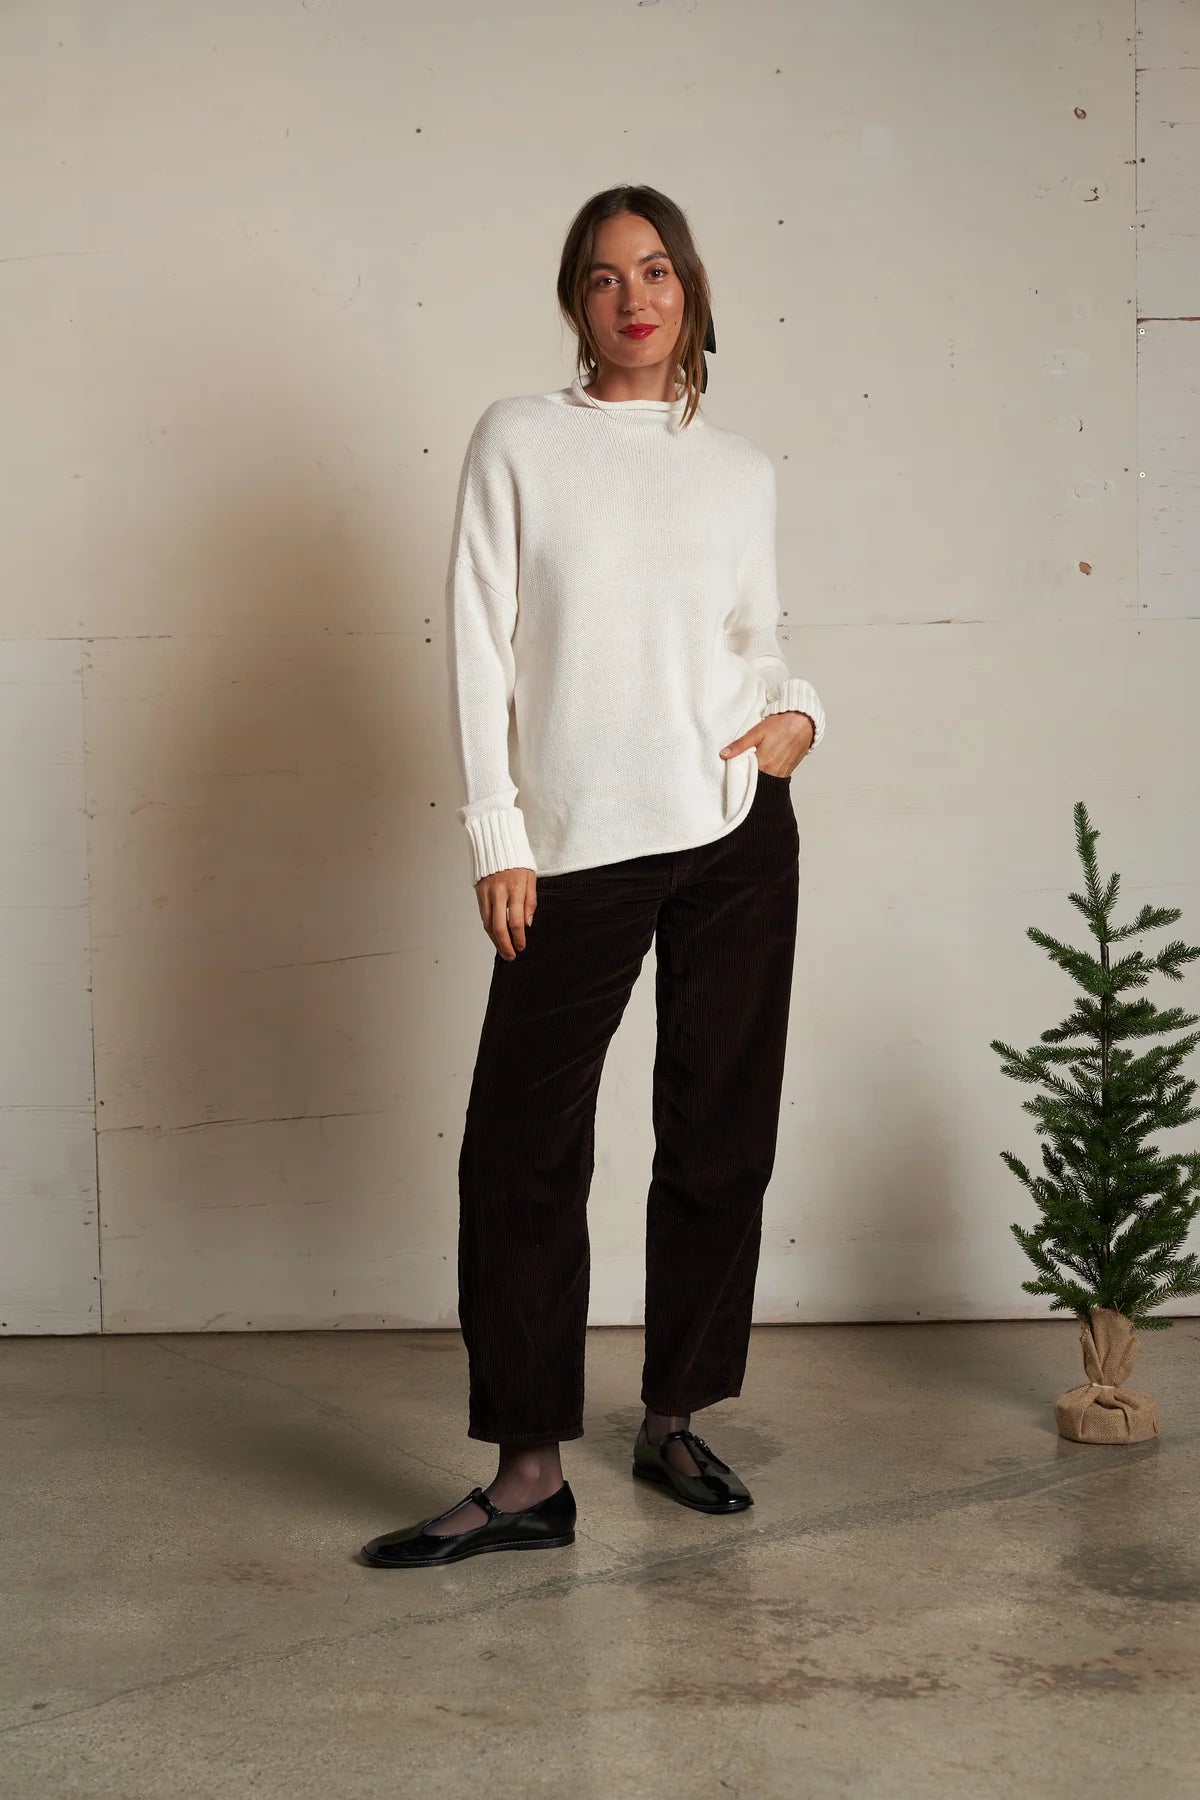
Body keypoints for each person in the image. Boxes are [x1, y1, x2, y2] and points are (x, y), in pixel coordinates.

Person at [362, 184, 825, 1570]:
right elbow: (478, 638)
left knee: (719, 1131)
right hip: (575, 840)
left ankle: (673, 1415)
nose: (635, 297)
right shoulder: (521, 439)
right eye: (607, 276)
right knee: (521, 1148)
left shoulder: (740, 470)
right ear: (577, 299)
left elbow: (756, 639)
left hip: (735, 828)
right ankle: (527, 1476)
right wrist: (497, 833)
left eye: (658, 270)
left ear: (691, 290)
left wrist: (801, 715)